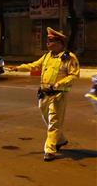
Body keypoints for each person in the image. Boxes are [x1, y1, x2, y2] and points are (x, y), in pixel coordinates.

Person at [7, 27, 80, 161]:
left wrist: (58, 84)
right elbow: (34, 65)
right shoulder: (47, 56)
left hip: (58, 95)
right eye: (47, 40)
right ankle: (61, 140)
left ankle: (50, 150)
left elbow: (74, 75)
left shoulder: (69, 58)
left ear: (59, 43)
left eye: (51, 41)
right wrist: (17, 67)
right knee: (48, 120)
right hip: (44, 94)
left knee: (53, 122)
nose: (47, 43)